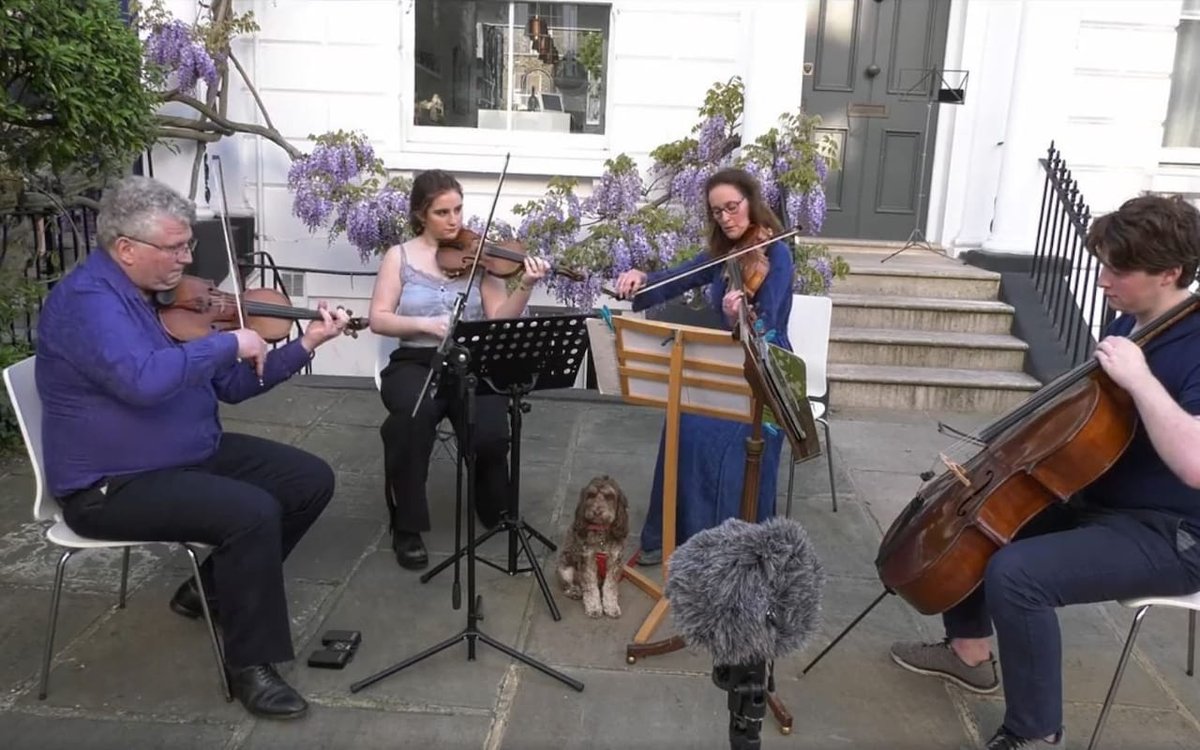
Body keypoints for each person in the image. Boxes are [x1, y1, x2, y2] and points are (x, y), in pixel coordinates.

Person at [887, 194, 1200, 749]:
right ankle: (969, 652)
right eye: (1102, 265)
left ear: (1170, 272)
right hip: (1100, 500)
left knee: (1018, 574)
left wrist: (1141, 379)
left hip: (1173, 532)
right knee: (982, 516)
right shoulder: (1130, 321)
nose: (1103, 280)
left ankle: (1036, 732)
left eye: (1118, 270)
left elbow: (1195, 465)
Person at [34, 176, 351, 719]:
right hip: (111, 484)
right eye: (175, 247)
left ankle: (209, 590)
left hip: (183, 454)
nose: (187, 259)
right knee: (251, 512)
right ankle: (251, 666)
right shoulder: (88, 302)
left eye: (188, 244)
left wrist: (305, 343)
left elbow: (233, 385)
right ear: (126, 248)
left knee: (308, 480)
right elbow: (144, 381)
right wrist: (229, 341)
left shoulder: (159, 300)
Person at [369, 169, 551, 570]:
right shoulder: (399, 257)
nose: (454, 221)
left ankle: (491, 500)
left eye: (458, 210)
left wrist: (526, 285)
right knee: (411, 420)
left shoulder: (479, 256)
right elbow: (378, 318)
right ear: (421, 214)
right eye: (442, 212)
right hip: (417, 360)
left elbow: (499, 319)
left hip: (472, 360)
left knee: (491, 432)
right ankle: (407, 525)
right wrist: (425, 325)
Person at [613, 167, 795, 564]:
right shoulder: (724, 253)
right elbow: (677, 277)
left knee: (728, 443)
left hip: (765, 369)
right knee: (682, 420)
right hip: (728, 361)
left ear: (751, 202)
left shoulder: (777, 253)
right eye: (717, 212)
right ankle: (674, 537)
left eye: (732, 207)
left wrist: (738, 317)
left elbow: (769, 323)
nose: (726, 218)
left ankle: (732, 547)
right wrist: (642, 278)